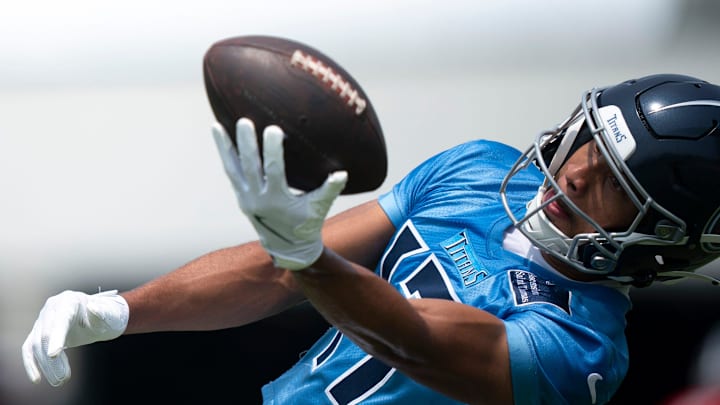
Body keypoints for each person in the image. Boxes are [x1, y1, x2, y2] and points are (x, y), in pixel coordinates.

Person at [21, 73, 720, 404]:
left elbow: (414, 336)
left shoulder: (583, 347)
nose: (572, 169)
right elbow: (279, 272)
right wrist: (120, 310)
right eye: (588, 142)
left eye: (610, 183)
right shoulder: (475, 169)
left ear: (661, 236)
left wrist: (309, 256)